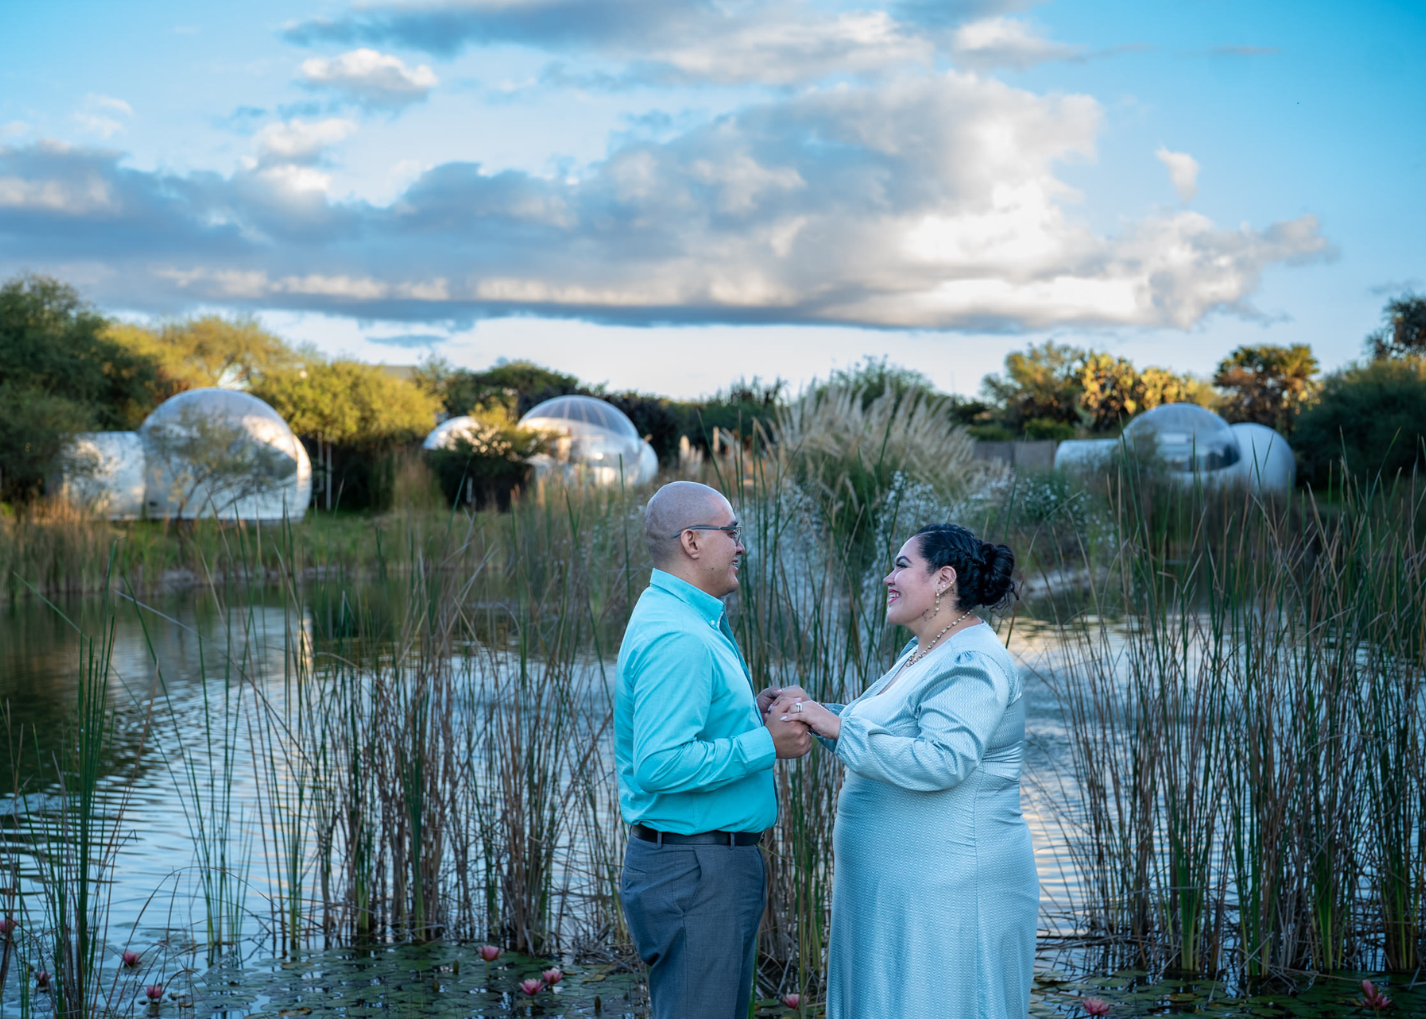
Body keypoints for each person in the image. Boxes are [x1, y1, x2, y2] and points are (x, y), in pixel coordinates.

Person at [769, 523, 1037, 1019]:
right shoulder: (922, 652)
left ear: (944, 579)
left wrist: (836, 726)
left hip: (947, 893)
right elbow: (885, 733)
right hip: (896, 891)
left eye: (901, 566)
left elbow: (944, 759)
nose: (888, 579)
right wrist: (810, 712)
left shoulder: (973, 660)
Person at [615, 481, 813, 1019]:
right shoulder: (679, 636)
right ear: (692, 541)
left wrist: (747, 711)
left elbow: (685, 727)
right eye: (732, 532)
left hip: (697, 867)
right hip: (697, 872)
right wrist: (764, 743)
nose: (741, 546)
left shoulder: (680, 617)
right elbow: (659, 764)